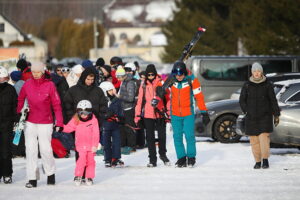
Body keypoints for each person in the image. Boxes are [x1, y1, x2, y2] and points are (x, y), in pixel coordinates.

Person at [17, 62, 63, 188]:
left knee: (46, 150)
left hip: (45, 122)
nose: (35, 74)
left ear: (43, 72)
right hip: (30, 122)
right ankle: (32, 178)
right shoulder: (27, 84)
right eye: (33, 72)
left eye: (38, 72)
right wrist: (19, 113)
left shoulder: (50, 85)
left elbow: (57, 105)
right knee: (30, 150)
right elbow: (20, 99)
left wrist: (59, 121)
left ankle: (50, 173)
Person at [156, 61, 210, 168]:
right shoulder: (171, 80)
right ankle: (181, 158)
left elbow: (199, 97)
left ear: (184, 72)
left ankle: (191, 157)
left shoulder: (192, 80)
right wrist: (158, 88)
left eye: (181, 74)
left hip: (188, 113)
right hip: (175, 114)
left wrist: (204, 112)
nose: (179, 76)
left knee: (189, 136)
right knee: (177, 137)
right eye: (177, 75)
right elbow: (160, 84)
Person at [63, 67, 107, 180]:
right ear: (83, 78)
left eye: (92, 79)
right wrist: (71, 118)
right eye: (88, 79)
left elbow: (103, 106)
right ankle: (80, 174)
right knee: (80, 151)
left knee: (90, 152)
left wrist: (100, 120)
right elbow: (67, 104)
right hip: (78, 124)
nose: (90, 81)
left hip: (93, 124)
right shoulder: (73, 90)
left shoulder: (98, 90)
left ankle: (88, 175)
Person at [239, 62, 280, 169]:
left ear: (261, 72)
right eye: (254, 71)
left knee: (264, 140)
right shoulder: (247, 84)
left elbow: (273, 100)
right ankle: (257, 161)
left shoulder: (267, 84)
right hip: (251, 117)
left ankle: (265, 160)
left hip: (264, 116)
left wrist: (276, 114)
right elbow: (242, 100)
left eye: (258, 71)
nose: (256, 73)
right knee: (254, 141)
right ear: (252, 72)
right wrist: (246, 111)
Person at [135, 64, 170, 167]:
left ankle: (163, 155)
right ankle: (152, 159)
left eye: (152, 74)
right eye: (148, 74)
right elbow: (140, 101)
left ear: (155, 74)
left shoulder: (161, 83)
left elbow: (168, 99)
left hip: (160, 113)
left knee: (162, 136)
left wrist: (168, 112)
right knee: (149, 138)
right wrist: (137, 115)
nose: (150, 76)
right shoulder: (144, 85)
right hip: (148, 114)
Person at [63, 100, 99, 186]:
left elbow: (96, 133)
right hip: (80, 145)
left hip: (91, 146)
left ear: (90, 112)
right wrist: (61, 128)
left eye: (86, 113)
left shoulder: (93, 120)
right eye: (81, 113)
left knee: (91, 162)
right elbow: (69, 127)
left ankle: (89, 177)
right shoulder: (76, 118)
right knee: (81, 161)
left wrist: (95, 145)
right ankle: (78, 175)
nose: (84, 115)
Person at [100, 81, 124, 167]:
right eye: (109, 90)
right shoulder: (102, 101)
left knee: (117, 141)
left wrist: (120, 117)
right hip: (106, 125)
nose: (112, 92)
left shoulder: (116, 100)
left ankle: (116, 157)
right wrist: (105, 115)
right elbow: (99, 112)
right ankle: (107, 158)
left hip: (115, 124)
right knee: (106, 142)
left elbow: (120, 111)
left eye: (112, 90)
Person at [0, 66, 18, 184]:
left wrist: (15, 120)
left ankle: (7, 174)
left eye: (4, 78)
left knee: (6, 150)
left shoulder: (10, 89)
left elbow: (15, 106)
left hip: (6, 124)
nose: (3, 80)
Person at [116, 66, 137, 154]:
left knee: (129, 127)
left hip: (129, 108)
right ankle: (124, 145)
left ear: (123, 76)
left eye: (118, 77)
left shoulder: (130, 83)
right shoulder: (124, 82)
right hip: (123, 108)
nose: (118, 79)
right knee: (122, 128)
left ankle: (132, 146)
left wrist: (120, 97)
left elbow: (131, 98)